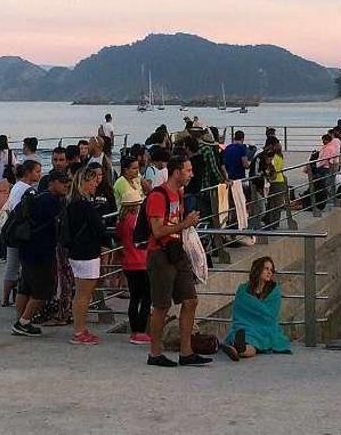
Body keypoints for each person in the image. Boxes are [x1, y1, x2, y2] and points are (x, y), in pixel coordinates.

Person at [146, 155, 211, 367]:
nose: (191, 174)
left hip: (177, 251)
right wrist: (185, 223)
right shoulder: (158, 195)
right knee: (161, 305)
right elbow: (157, 231)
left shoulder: (179, 195)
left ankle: (186, 351)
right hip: (160, 253)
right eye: (188, 170)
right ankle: (155, 353)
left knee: (190, 299)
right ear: (176, 172)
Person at [11, 171, 66, 337]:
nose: (66, 186)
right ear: (52, 183)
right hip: (41, 251)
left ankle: (20, 320)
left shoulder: (36, 198)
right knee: (44, 289)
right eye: (63, 183)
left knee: (26, 287)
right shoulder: (52, 202)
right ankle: (24, 321)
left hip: (26, 247)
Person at [65, 166, 109, 345]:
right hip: (87, 252)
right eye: (92, 182)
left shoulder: (72, 203)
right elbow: (98, 227)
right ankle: (79, 331)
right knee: (84, 294)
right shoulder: (84, 205)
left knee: (80, 293)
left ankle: (79, 328)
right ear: (85, 182)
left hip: (76, 251)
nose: (95, 185)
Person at [220, 257, 291, 360]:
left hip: (264, 328)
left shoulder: (274, 292)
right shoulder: (243, 289)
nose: (269, 272)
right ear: (258, 269)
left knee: (252, 343)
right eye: (266, 269)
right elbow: (238, 312)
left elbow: (271, 314)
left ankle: (238, 348)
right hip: (244, 326)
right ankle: (236, 348)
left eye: (271, 270)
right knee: (243, 336)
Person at [2, 160, 42, 307]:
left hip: (12, 229)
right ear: (28, 172)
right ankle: (12, 298)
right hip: (21, 231)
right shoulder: (28, 190)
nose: (39, 174)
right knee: (18, 266)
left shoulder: (16, 186)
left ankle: (5, 298)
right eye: (37, 171)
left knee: (11, 265)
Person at [115, 190, 151, 345]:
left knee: (134, 298)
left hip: (128, 263)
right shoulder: (135, 221)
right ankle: (141, 330)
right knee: (147, 298)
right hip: (141, 262)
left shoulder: (121, 221)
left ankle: (134, 330)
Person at [263, 136, 287, 229]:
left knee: (271, 204)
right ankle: (275, 223)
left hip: (274, 181)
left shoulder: (273, 156)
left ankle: (270, 223)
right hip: (280, 180)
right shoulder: (280, 155)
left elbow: (271, 169)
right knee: (277, 204)